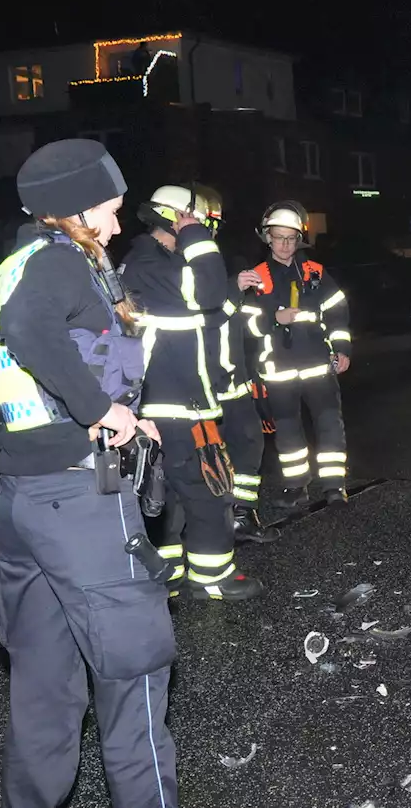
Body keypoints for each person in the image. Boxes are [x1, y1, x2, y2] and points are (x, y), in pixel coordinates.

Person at [0, 139, 177, 807]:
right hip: (80, 499)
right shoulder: (63, 264)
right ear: (76, 210)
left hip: (20, 496)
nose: (119, 227)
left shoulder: (16, 263)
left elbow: (39, 359)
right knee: (134, 682)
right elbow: (30, 330)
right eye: (112, 211)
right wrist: (102, 413)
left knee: (43, 693)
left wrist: (119, 413)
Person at [120, 185, 266, 599]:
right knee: (206, 490)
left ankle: (170, 573)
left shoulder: (157, 264)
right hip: (175, 404)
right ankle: (211, 577)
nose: (204, 230)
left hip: (176, 400)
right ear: (175, 218)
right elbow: (206, 292)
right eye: (198, 221)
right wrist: (195, 237)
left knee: (170, 493)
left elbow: (211, 310)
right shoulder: (149, 264)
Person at [250, 201, 352, 509]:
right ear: (267, 238)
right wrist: (272, 319)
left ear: (299, 240)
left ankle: (335, 487)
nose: (284, 244)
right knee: (288, 432)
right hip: (278, 371)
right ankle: (296, 487)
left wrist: (343, 349)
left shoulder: (315, 273)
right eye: (278, 237)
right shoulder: (255, 278)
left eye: (290, 238)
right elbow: (246, 326)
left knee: (329, 425)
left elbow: (337, 312)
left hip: (318, 367)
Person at [195, 183, 281, 542]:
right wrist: (234, 288)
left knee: (249, 441)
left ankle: (242, 516)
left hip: (232, 378)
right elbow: (208, 317)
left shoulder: (216, 259)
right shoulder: (182, 265)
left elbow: (237, 323)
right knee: (203, 458)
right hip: (199, 382)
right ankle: (206, 526)